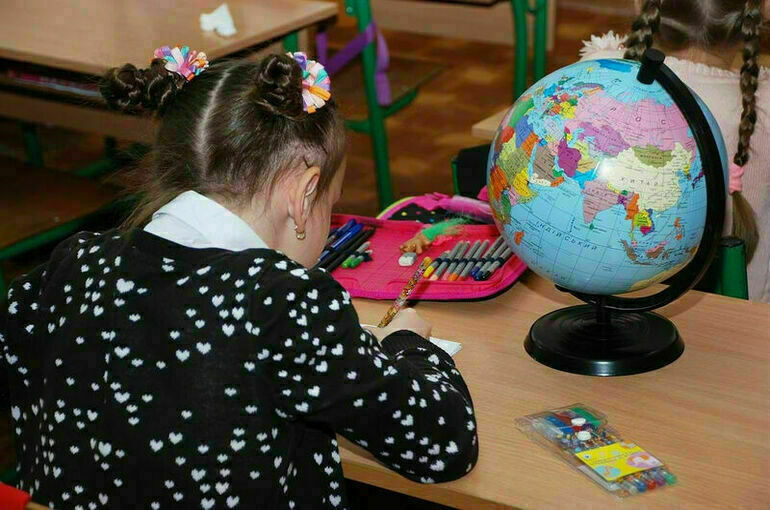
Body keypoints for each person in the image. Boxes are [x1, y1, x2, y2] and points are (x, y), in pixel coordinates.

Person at [0, 48, 478, 509]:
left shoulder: (72, 263)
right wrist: (406, 345)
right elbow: (445, 444)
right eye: (330, 206)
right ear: (304, 193)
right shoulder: (282, 301)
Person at [579, 0, 769, 302]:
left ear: (642, 4)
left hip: (599, 290)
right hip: (737, 311)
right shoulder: (763, 106)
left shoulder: (597, 67)